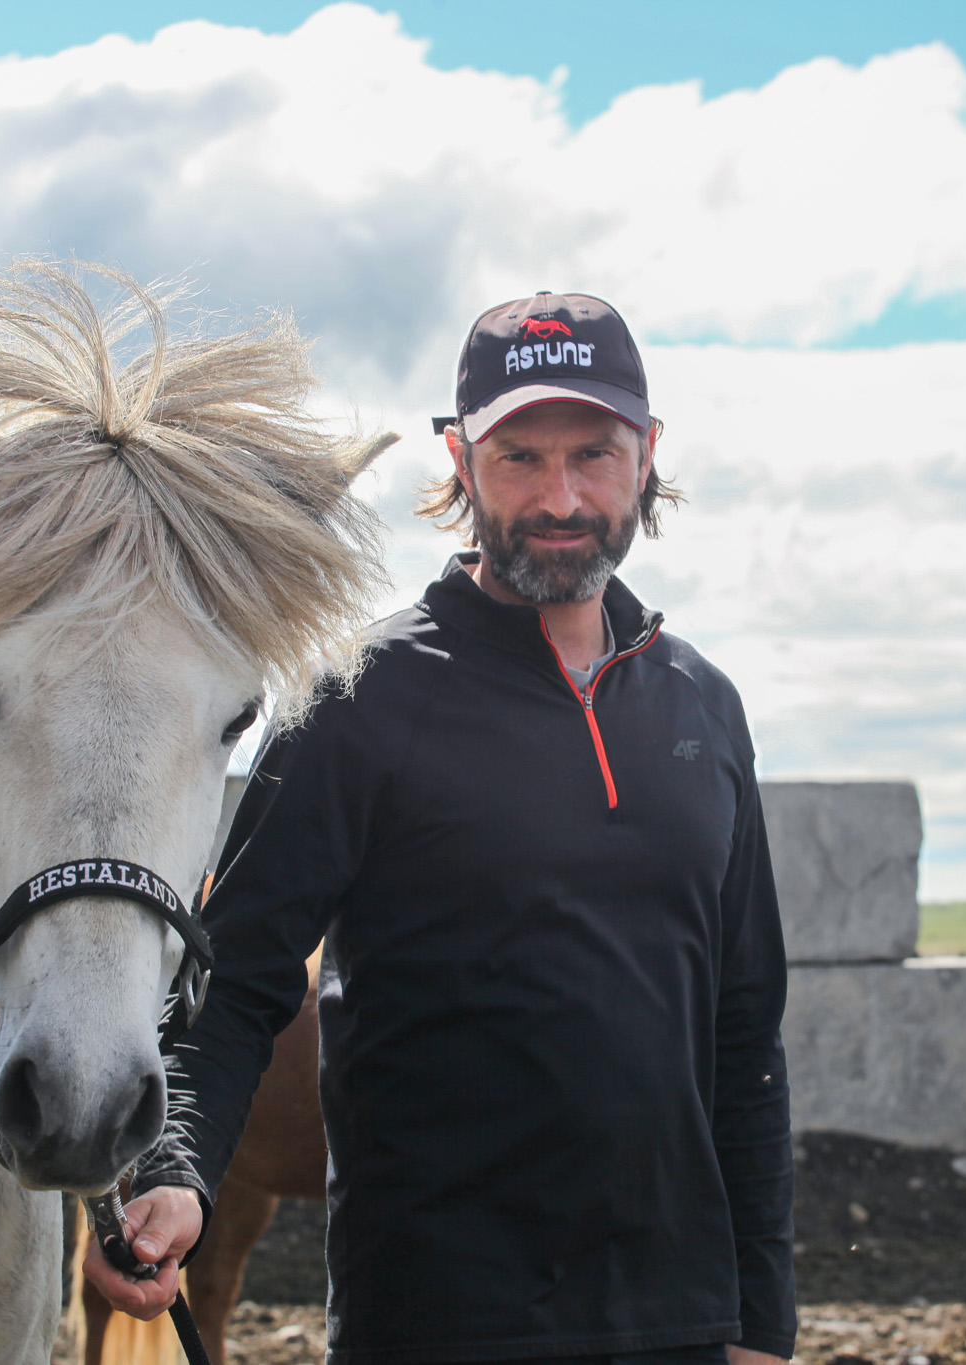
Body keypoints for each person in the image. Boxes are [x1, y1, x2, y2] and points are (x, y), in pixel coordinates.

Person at [87, 290, 797, 1365]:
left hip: (678, 1321)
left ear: (645, 455)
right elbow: (235, 979)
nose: (559, 496)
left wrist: (761, 1322)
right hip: (435, 1322)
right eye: (518, 457)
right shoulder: (359, 700)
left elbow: (743, 1035)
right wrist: (176, 1172)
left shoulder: (701, 704)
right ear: (460, 463)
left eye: (592, 454)